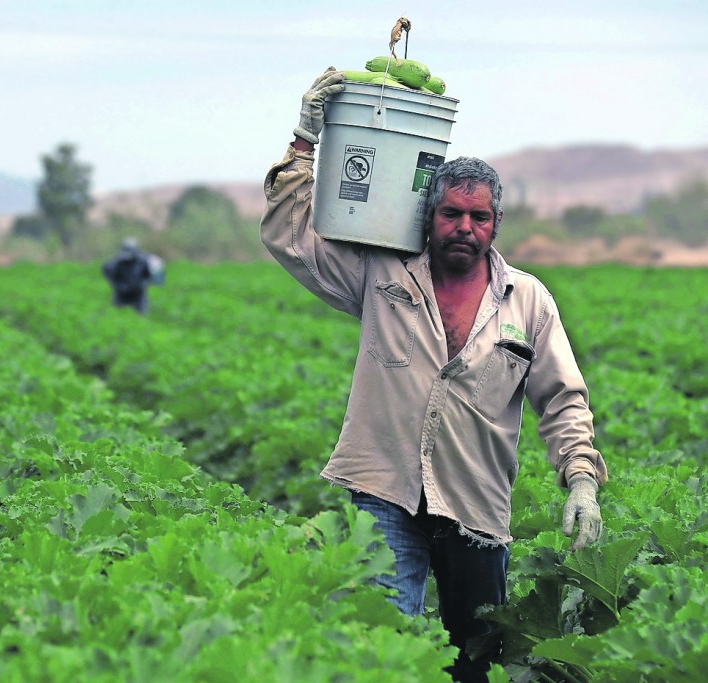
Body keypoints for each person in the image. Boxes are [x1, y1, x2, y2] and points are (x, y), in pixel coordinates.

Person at [260, 67, 607, 682]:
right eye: (450, 214)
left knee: (475, 659)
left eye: (478, 217)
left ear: (496, 224)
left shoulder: (526, 302)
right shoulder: (383, 275)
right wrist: (304, 140)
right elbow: (292, 236)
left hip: (475, 504)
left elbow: (563, 399)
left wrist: (580, 479)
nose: (463, 229)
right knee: (382, 647)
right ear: (428, 215)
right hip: (384, 487)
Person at [101, 237, 161, 313]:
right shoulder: (117, 261)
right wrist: (118, 285)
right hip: (122, 294)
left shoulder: (144, 261)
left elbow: (152, 275)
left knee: (140, 316)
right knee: (117, 315)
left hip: (138, 295)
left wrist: (143, 284)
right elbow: (108, 272)